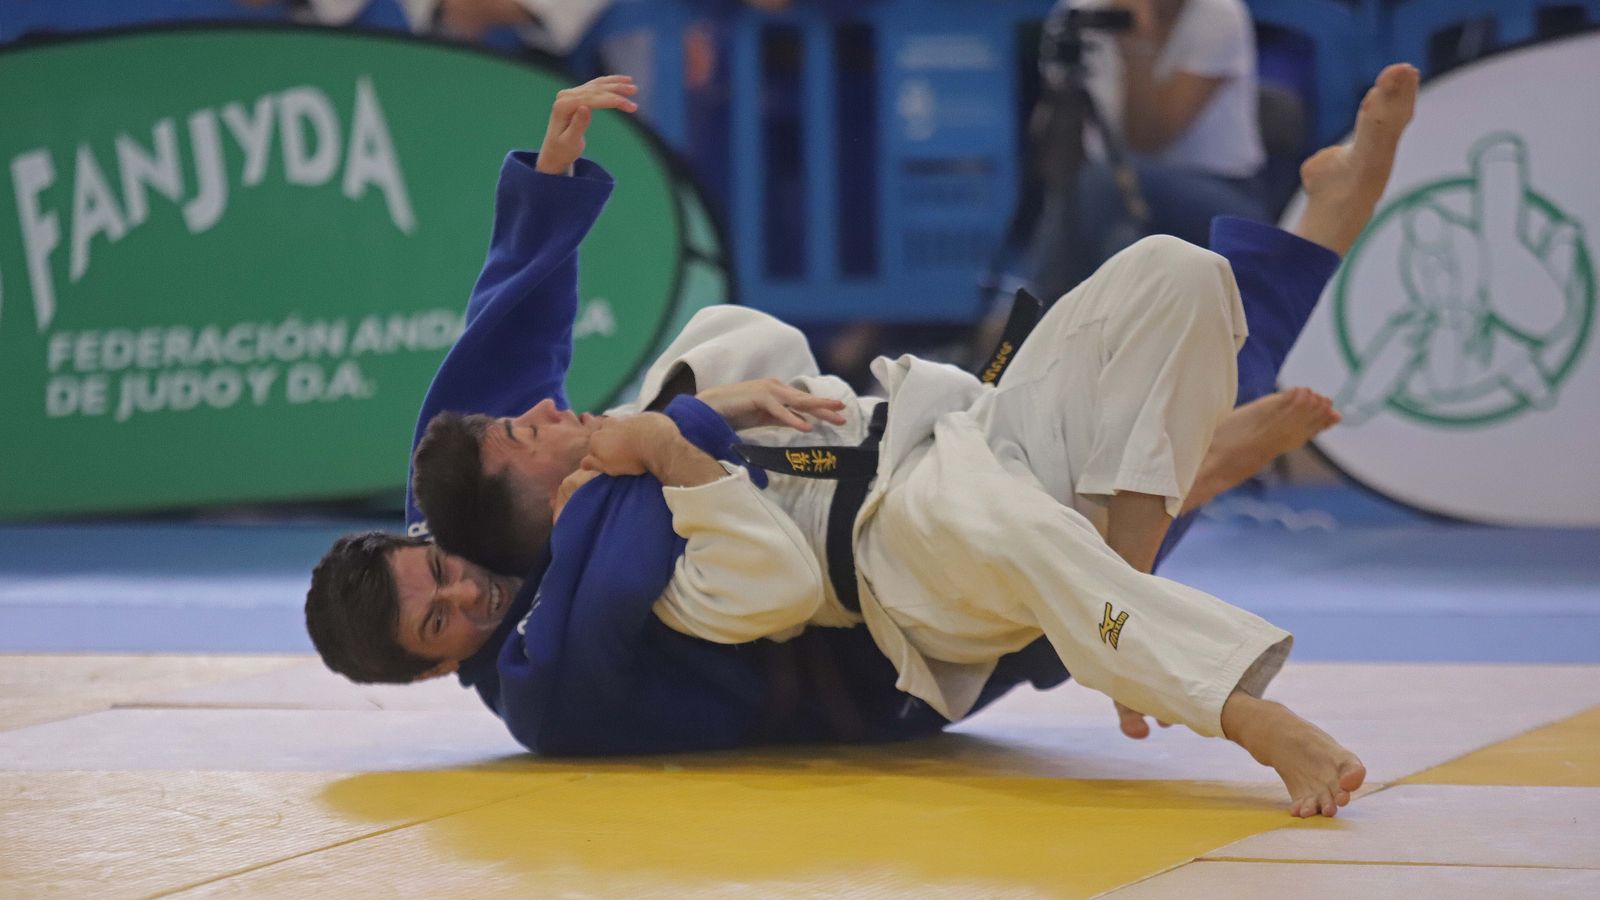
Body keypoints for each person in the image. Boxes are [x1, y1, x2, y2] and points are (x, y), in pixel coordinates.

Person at [311, 65, 1418, 819]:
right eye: (440, 620)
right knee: (1036, 526)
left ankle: (1158, 534)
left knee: (1170, 287)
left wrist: (549, 186)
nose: (465, 596)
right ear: (432, 664)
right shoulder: (549, 670)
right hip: (877, 618)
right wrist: (678, 436)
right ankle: (1234, 698)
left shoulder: (477, 497)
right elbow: (760, 584)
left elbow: (498, 352)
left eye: (443, 574)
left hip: (917, 424)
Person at [1031, 0, 1269, 301]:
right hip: (1113, 198)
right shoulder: (1081, 14)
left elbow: (1148, 140)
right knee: (1120, 242)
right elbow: (1056, 136)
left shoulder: (1218, 13)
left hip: (1223, 194)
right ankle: (1083, 332)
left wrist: (1137, 49)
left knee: (1101, 183)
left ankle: (1028, 312)